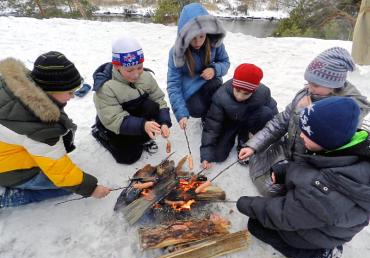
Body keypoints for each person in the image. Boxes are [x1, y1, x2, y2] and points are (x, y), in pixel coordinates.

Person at [237, 97, 370, 258]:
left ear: (326, 139)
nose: (300, 135)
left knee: (257, 226)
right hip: (321, 213)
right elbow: (310, 169)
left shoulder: (327, 187)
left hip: (323, 231)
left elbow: (286, 215)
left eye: (307, 133)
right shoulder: (339, 150)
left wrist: (246, 204)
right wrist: (285, 171)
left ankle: (322, 252)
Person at [238, 47, 370, 196]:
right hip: (289, 148)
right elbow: (281, 121)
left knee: (271, 189)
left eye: (315, 85)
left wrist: (306, 111)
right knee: (257, 163)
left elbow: (330, 153)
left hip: (311, 164)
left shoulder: (347, 112)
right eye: (308, 82)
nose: (309, 88)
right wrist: (254, 145)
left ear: (334, 84)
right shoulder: (306, 93)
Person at [0, 51, 110, 208]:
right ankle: (7, 197)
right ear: (50, 91)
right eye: (69, 92)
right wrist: (91, 188)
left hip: (5, 150)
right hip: (6, 170)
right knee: (65, 188)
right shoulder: (39, 126)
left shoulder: (10, 85)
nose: (72, 97)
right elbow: (60, 172)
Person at [92, 35, 172, 164]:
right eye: (129, 70)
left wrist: (164, 122)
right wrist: (142, 125)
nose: (136, 74)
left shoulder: (145, 77)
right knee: (129, 157)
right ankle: (100, 134)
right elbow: (114, 119)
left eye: (140, 67)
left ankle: (138, 132)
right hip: (114, 123)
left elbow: (158, 99)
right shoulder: (106, 87)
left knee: (151, 108)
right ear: (117, 66)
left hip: (134, 114)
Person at [200, 63, 278, 169]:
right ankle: (232, 135)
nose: (240, 97)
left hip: (249, 121)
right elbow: (212, 126)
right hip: (230, 121)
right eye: (237, 90)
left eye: (246, 94)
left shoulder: (263, 92)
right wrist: (206, 154)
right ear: (233, 85)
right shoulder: (221, 96)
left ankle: (244, 141)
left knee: (266, 112)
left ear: (254, 91)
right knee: (218, 156)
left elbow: (274, 116)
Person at [167, 2, 230, 129]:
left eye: (201, 36)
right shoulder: (176, 52)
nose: (197, 42)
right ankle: (204, 114)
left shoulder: (215, 44)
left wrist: (214, 69)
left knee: (217, 91)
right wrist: (181, 113)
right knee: (196, 109)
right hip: (191, 90)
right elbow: (173, 84)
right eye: (193, 38)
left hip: (210, 83)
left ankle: (212, 116)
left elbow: (225, 62)